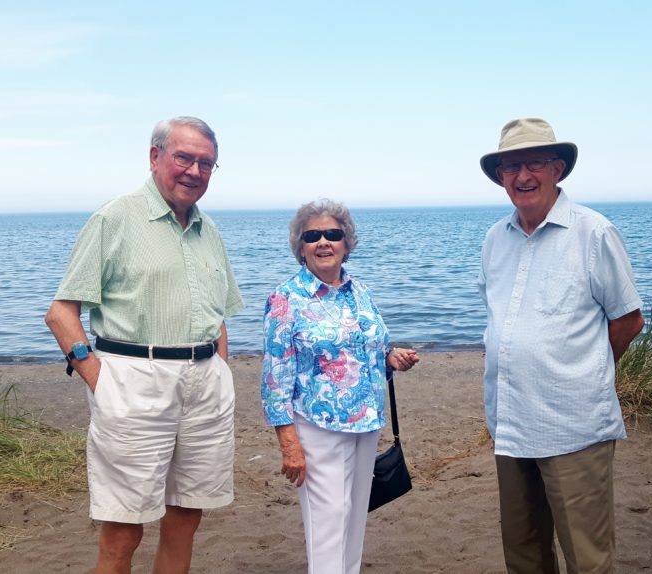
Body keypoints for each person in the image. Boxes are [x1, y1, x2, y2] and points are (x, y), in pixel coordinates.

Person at [44, 116, 243, 574]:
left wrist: (221, 372)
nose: (195, 171)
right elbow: (61, 313)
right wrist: (101, 381)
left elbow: (219, 316)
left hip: (205, 386)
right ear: (155, 157)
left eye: (207, 164)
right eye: (184, 158)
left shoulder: (207, 229)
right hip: (134, 380)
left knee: (186, 515)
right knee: (124, 527)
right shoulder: (114, 218)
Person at [478, 118, 645, 574]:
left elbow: (628, 319)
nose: (522, 175)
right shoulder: (496, 239)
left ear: (557, 169)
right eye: (511, 166)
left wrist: (583, 371)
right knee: (524, 553)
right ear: (500, 177)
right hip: (511, 423)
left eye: (534, 162)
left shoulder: (593, 232)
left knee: (587, 558)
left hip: (574, 426)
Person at [261, 199, 419, 574]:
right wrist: (288, 443)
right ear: (300, 246)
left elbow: (372, 347)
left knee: (352, 520)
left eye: (332, 234)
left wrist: (391, 357)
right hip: (318, 428)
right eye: (312, 235)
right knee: (327, 524)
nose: (323, 242)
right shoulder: (286, 299)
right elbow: (275, 379)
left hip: (365, 424)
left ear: (347, 242)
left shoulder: (359, 291)